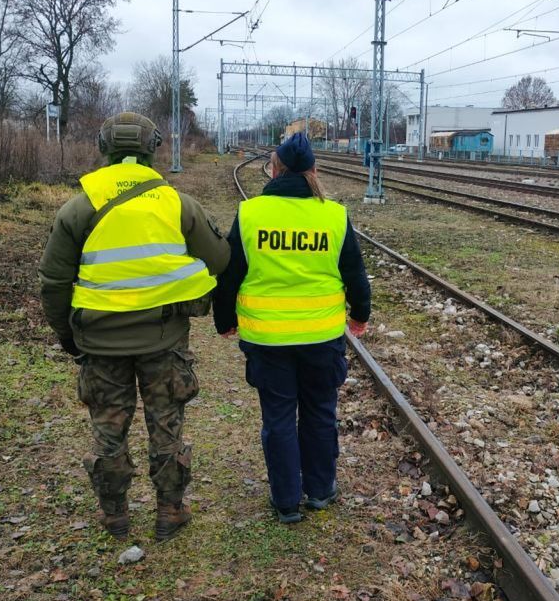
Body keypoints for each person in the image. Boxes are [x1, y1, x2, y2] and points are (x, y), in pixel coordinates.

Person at [38, 112, 230, 542]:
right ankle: (169, 512)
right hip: (164, 339)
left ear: (104, 148)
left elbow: (53, 282)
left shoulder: (77, 207)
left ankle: (115, 517)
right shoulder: (177, 204)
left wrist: (67, 336)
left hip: (99, 343)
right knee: (166, 426)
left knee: (108, 431)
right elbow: (220, 260)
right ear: (152, 149)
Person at [213, 133, 370, 523]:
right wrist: (360, 315)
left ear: (275, 167)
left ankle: (285, 502)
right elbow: (355, 272)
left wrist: (225, 320)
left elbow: (231, 273)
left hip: (267, 339)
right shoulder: (333, 215)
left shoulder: (251, 213)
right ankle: (319, 491)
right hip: (321, 337)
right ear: (313, 171)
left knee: (279, 416)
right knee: (319, 412)